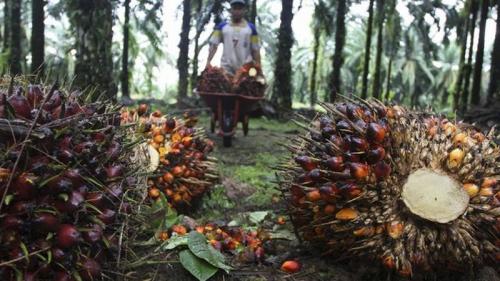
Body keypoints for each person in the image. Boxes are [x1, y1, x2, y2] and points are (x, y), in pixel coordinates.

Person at [205, 0, 261, 76]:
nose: (237, 11)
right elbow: (214, 46)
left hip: (246, 69)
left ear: (244, 10)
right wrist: (208, 62)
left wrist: (259, 69)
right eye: (235, 8)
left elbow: (255, 50)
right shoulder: (222, 27)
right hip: (226, 70)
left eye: (240, 9)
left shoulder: (251, 29)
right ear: (230, 10)